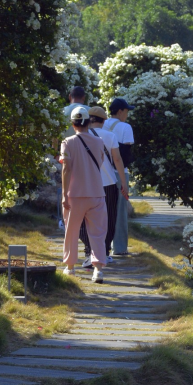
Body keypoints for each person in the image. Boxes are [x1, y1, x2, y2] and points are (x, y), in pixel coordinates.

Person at [60, 106, 108, 283]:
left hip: (75, 194)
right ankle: (98, 270)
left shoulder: (67, 142)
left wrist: (64, 194)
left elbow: (66, 169)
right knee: (97, 233)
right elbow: (101, 162)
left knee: (71, 231)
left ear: (73, 124)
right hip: (96, 192)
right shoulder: (99, 141)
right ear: (88, 122)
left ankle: (70, 267)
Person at [78, 106, 129, 269]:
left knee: (84, 219)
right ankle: (104, 252)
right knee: (109, 218)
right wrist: (124, 183)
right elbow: (118, 160)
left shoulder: (80, 136)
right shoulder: (110, 135)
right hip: (108, 182)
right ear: (104, 121)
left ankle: (89, 252)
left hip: (86, 184)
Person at [103, 98, 136, 256]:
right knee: (120, 211)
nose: (127, 114)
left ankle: (102, 247)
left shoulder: (102, 125)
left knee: (104, 209)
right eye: (127, 111)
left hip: (103, 173)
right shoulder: (125, 127)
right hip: (120, 172)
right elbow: (126, 154)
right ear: (121, 111)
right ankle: (120, 247)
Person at [56, 87, 89, 230]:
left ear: (70, 97)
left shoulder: (61, 112)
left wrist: (55, 152)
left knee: (66, 188)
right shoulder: (89, 110)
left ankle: (66, 219)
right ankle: (84, 221)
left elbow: (54, 135)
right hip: (86, 155)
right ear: (84, 97)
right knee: (85, 189)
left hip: (66, 153)